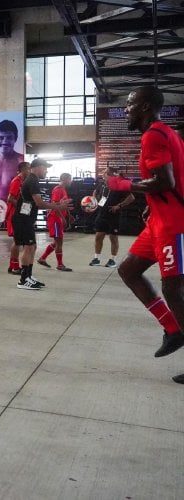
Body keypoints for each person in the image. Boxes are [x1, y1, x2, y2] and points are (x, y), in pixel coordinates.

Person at [110, 86, 184, 359]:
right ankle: (173, 329)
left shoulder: (153, 135)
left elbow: (166, 181)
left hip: (173, 224)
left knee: (173, 288)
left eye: (130, 104)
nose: (125, 110)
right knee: (129, 271)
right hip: (159, 220)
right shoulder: (167, 133)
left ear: (144, 107)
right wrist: (153, 207)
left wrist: (123, 184)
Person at [12, 159, 72, 290]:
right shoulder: (32, 180)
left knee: (32, 246)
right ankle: (23, 280)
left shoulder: (33, 180)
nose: (46, 170)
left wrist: (58, 206)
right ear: (38, 167)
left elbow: (35, 204)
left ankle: (28, 276)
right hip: (22, 220)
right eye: (45, 168)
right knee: (28, 247)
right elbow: (39, 203)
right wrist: (59, 207)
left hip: (26, 219)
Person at [90, 166, 135, 267]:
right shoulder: (102, 184)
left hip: (113, 214)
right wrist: (93, 200)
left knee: (113, 238)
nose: (103, 174)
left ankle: (113, 260)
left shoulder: (119, 185)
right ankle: (96, 258)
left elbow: (131, 197)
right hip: (101, 213)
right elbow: (95, 192)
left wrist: (119, 206)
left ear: (111, 175)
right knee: (98, 236)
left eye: (105, 172)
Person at [37, 173, 74, 271]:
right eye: (70, 179)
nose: (71, 181)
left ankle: (42, 258)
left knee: (56, 242)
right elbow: (54, 205)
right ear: (64, 179)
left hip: (57, 218)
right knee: (59, 242)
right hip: (55, 218)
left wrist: (69, 215)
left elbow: (62, 205)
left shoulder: (63, 190)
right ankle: (60, 265)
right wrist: (62, 218)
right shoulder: (58, 190)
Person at [6, 161, 30, 274]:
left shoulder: (24, 182)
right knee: (17, 241)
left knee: (18, 241)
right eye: (29, 169)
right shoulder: (17, 181)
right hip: (14, 214)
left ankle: (13, 266)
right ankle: (15, 267)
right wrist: (22, 208)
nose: (30, 171)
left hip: (20, 214)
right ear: (23, 169)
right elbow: (10, 198)